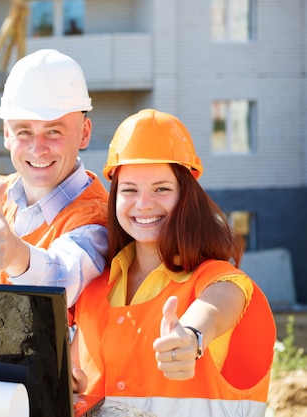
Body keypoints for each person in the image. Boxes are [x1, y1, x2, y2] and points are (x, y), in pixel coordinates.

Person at [70, 109, 276, 416]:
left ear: (186, 195)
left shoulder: (221, 281)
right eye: (129, 190)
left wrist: (191, 336)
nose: (143, 204)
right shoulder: (93, 289)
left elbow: (214, 309)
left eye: (161, 189)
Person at [0, 49, 109, 314]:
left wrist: (16, 256)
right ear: (7, 134)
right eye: (24, 132)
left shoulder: (96, 218)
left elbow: (64, 278)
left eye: (54, 131)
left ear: (84, 134)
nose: (37, 149)